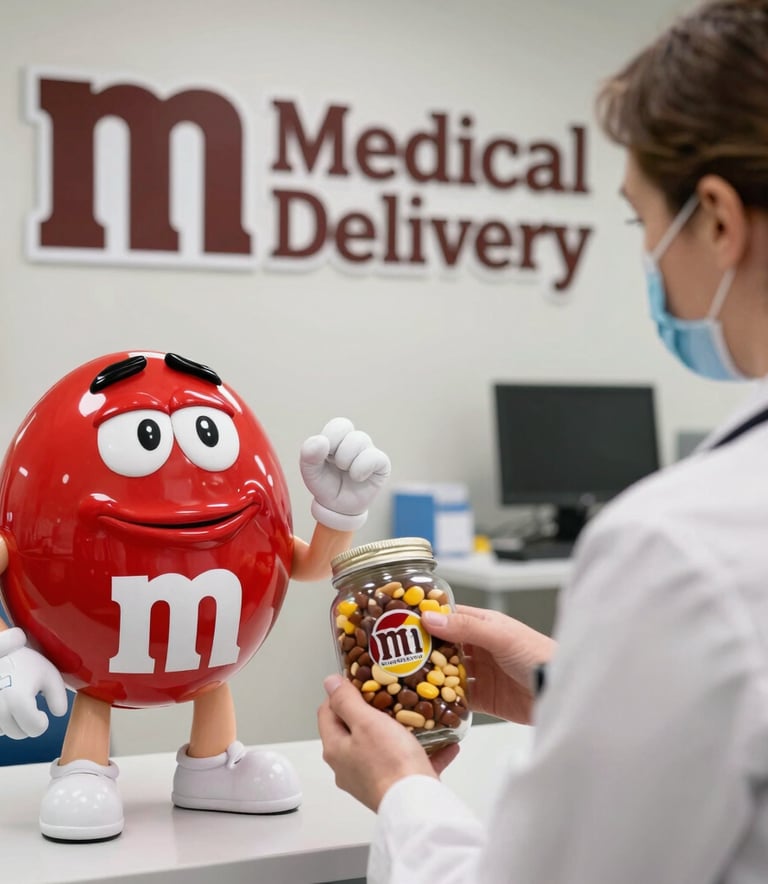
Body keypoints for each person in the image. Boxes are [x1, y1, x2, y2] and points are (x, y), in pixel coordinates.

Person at [317, 1, 768, 880]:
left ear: (716, 219)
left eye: (642, 223)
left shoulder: (678, 547)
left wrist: (402, 788)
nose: (648, 256)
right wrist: (576, 688)